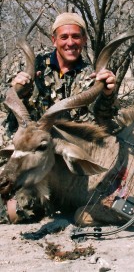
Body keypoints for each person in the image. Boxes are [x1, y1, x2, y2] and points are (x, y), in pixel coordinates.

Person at [0, 12, 118, 223]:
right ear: (54, 40)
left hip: (62, 159)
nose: (70, 42)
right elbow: (7, 102)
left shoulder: (91, 78)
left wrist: (107, 94)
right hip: (23, 151)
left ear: (83, 40)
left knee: (18, 210)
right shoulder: (32, 66)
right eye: (64, 37)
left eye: (76, 36)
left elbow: (103, 124)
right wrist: (17, 88)